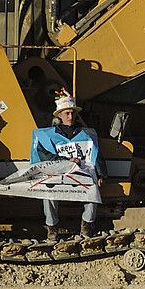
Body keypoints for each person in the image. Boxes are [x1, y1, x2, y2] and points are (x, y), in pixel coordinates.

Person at [30, 92, 105, 240]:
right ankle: (51, 227)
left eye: (72, 113)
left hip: (81, 174)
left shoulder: (86, 135)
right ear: (60, 116)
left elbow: (95, 154)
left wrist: (101, 174)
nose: (70, 117)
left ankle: (86, 225)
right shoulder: (47, 136)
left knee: (93, 190)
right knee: (48, 193)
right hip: (58, 175)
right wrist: (66, 160)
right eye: (67, 114)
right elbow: (44, 156)